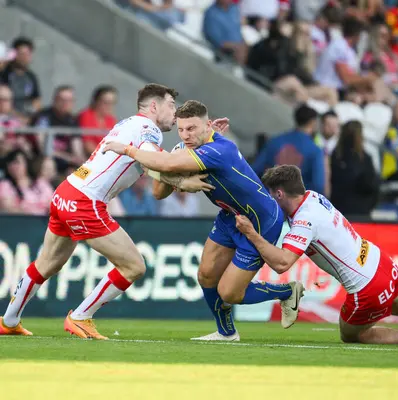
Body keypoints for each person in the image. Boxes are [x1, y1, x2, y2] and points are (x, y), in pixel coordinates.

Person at [0, 84, 213, 338]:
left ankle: (9, 320)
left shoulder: (128, 124)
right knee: (134, 266)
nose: (175, 113)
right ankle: (80, 317)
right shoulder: (149, 129)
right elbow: (156, 163)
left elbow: (150, 167)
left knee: (46, 263)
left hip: (67, 191)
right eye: (171, 106)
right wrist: (183, 180)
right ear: (154, 106)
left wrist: (180, 173)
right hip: (85, 201)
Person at [102, 100, 304, 341]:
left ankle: (287, 291)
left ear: (208, 126)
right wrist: (174, 173)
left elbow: (166, 163)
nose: (186, 135)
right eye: (182, 129)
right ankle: (226, 333)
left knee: (229, 293)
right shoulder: (188, 147)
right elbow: (158, 192)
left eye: (193, 129)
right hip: (230, 215)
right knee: (206, 276)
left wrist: (127, 149)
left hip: (260, 221)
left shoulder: (220, 150)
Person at [235, 165, 398, 345]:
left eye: (271, 195)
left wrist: (251, 232)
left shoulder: (304, 220)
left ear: (280, 193)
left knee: (351, 334)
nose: (269, 201)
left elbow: (282, 263)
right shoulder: (313, 198)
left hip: (366, 286)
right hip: (380, 261)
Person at [253, 104, 325, 194]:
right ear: (312, 122)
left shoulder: (275, 141)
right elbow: (318, 185)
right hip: (296, 203)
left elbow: (255, 169)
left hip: (270, 197)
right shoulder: (315, 150)